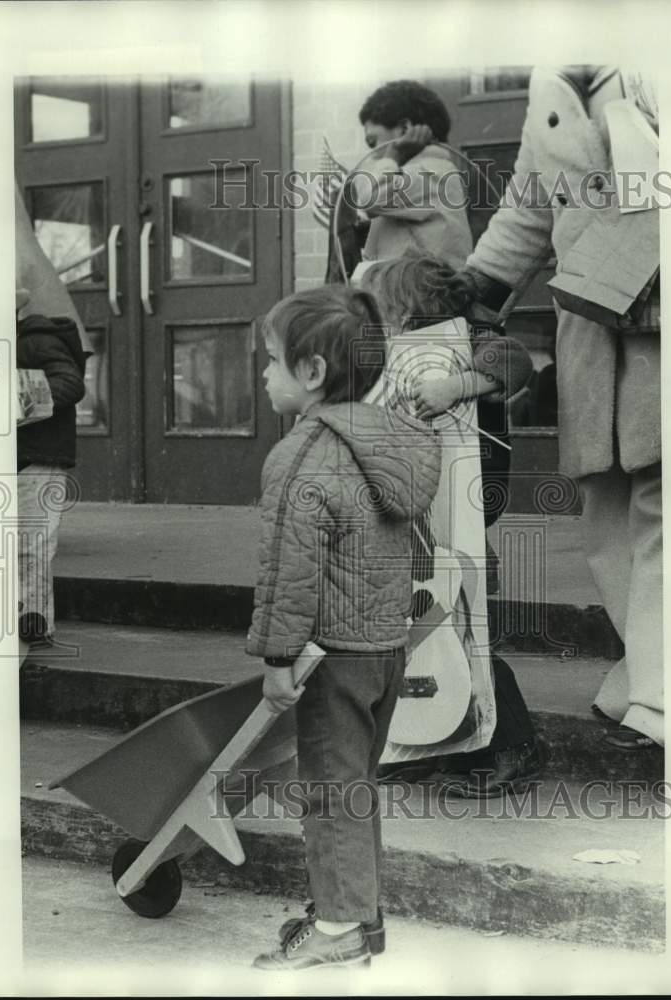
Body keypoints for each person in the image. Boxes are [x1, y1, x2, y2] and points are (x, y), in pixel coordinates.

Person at [454, 66, 663, 750]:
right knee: (605, 506)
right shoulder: (552, 80)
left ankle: (665, 700)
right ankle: (646, 676)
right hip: (592, 319)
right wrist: (475, 288)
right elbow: (529, 204)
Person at [246, 285, 441, 970]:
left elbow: (286, 572)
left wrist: (276, 659)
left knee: (330, 795)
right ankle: (360, 918)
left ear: (312, 374)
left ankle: (338, 933)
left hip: (331, 656)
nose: (264, 376)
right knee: (355, 788)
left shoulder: (302, 455)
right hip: (386, 651)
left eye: (270, 361)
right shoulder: (393, 444)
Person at [360, 251, 541, 797]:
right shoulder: (394, 356)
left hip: (458, 519)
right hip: (415, 519)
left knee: (466, 633)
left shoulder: (471, 338)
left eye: (383, 310)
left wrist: (456, 386)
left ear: (413, 309)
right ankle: (426, 743)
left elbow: (515, 362)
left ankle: (512, 746)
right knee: (414, 635)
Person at [325, 79, 473, 281]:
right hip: (413, 290)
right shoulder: (416, 175)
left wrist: (393, 154)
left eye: (373, 141)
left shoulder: (430, 172)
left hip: (426, 297)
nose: (374, 154)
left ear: (404, 130)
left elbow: (371, 198)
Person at [15, 293, 87, 646]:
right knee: (26, 545)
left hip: (38, 460)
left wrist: (12, 401)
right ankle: (28, 622)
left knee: (32, 545)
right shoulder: (19, 342)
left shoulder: (37, 341)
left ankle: (35, 626)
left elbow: (71, 384)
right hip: (24, 459)